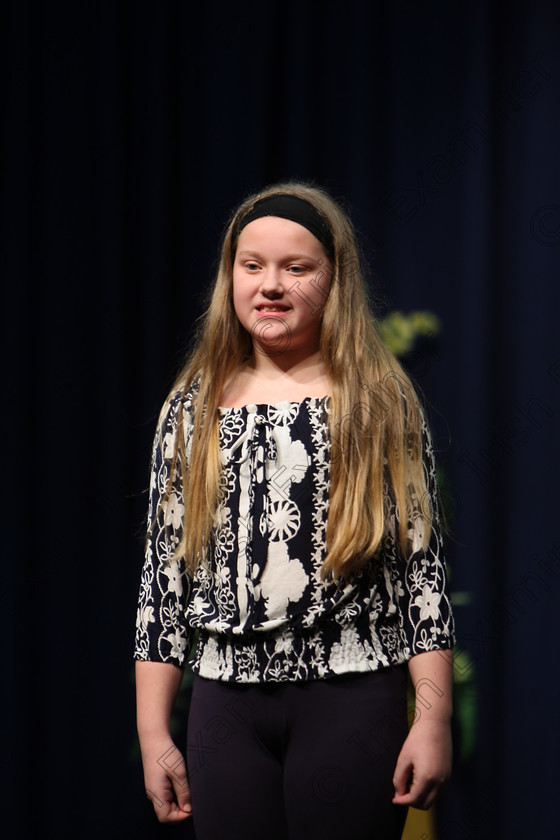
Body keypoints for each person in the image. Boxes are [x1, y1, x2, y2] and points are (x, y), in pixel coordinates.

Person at [134, 182, 455, 840]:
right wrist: (151, 731)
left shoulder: (376, 401)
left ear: (334, 280)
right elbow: (163, 580)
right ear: (230, 277)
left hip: (351, 696)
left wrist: (432, 718)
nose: (271, 285)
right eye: (251, 266)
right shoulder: (191, 410)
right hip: (225, 706)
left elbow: (421, 575)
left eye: (296, 268)